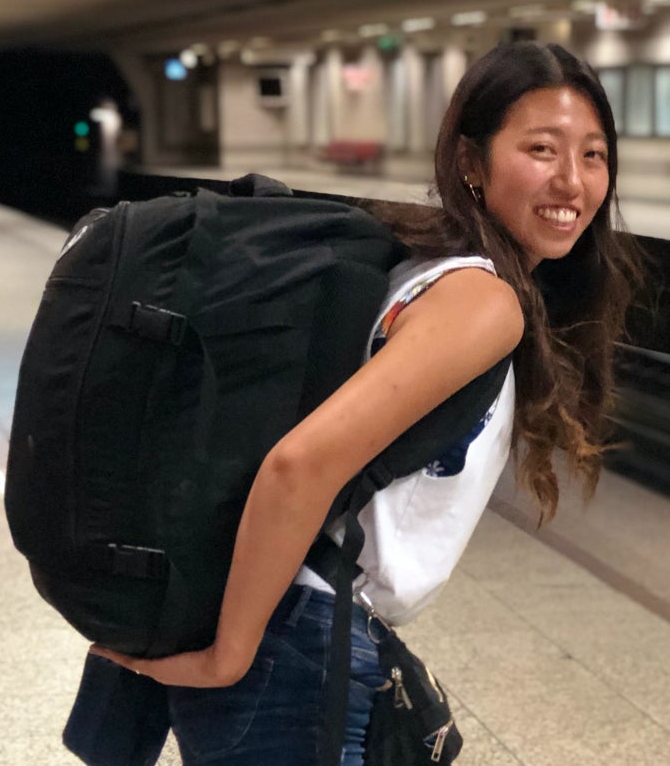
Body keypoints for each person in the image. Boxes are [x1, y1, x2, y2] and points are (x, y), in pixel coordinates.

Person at [87, 41, 646, 764]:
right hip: (294, 641)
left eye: (593, 155)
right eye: (541, 149)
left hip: (287, 625)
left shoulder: (424, 269)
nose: (571, 180)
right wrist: (232, 653)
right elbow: (299, 464)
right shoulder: (482, 301)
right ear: (471, 163)